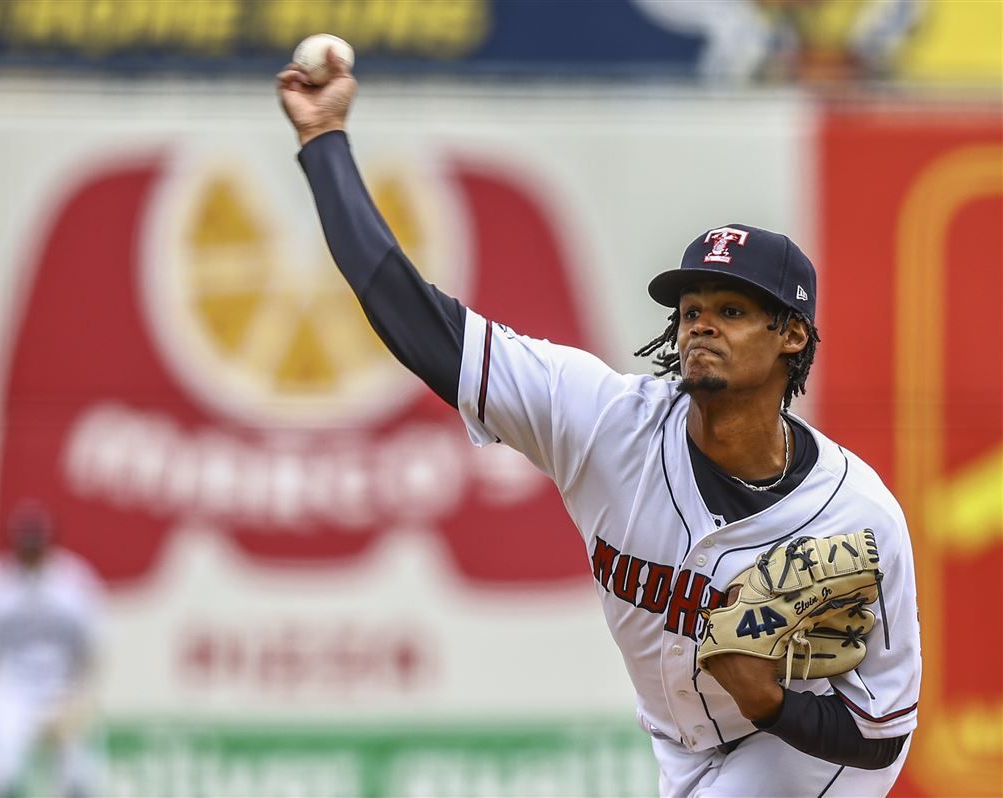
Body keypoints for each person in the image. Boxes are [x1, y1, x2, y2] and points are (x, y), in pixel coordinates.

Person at [276, 52, 921, 796]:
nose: (701, 326)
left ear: (792, 336)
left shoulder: (858, 517)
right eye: (691, 312)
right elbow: (423, 325)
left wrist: (772, 701)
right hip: (678, 745)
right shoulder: (605, 424)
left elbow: (883, 735)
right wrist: (323, 141)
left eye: (733, 311)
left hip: (808, 749)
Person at [0, 501, 103, 798]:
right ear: (15, 543)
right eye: (26, 542)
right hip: (12, 686)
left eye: (37, 542)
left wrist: (82, 696)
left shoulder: (72, 581)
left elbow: (91, 646)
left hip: (61, 684)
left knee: (79, 777)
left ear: (49, 543)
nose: (32, 549)